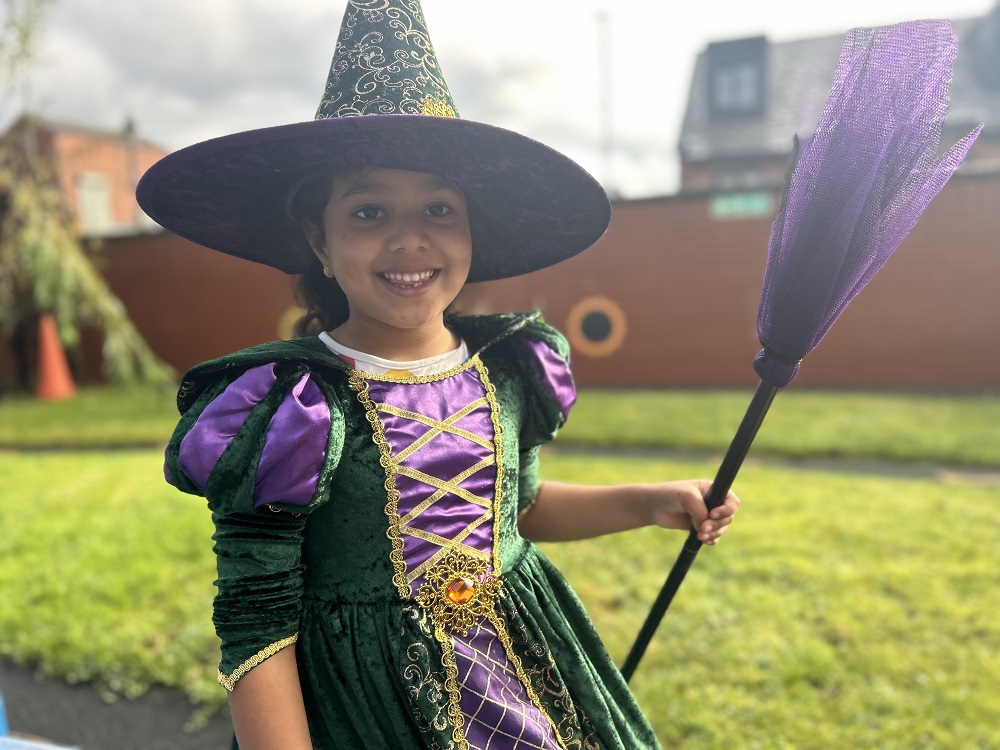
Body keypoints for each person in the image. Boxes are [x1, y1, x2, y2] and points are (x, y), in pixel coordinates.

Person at [138, 2, 739, 748]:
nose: (409, 236)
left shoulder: (510, 367)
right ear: (317, 241)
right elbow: (257, 625)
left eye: (438, 206)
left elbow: (520, 510)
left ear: (470, 230)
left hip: (526, 677)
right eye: (368, 211)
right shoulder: (292, 407)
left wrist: (650, 502)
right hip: (371, 710)